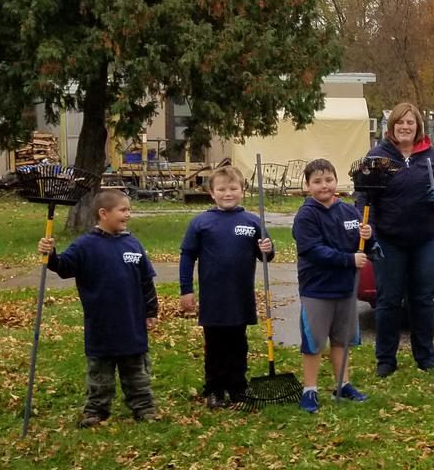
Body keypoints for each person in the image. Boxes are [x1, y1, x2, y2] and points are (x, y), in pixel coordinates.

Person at [38, 187, 159, 426]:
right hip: (101, 323)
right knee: (100, 372)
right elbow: (63, 267)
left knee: (136, 371)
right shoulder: (85, 245)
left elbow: (146, 282)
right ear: (104, 213)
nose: (128, 214)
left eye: (129, 210)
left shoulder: (133, 245)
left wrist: (151, 311)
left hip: (132, 323)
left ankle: (143, 408)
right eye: (122, 210)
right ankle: (96, 410)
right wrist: (50, 255)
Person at [357, 102, 434, 378]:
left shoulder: (431, 156)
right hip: (389, 240)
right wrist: (368, 228)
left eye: (410, 122)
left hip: (426, 239)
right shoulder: (377, 157)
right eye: (400, 122)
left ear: (418, 126)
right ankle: (386, 359)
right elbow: (363, 196)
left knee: (422, 299)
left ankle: (425, 356)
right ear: (392, 127)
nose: (405, 127)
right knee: (388, 300)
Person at [177, 165, 274, 407]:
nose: (227, 193)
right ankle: (214, 389)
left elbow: (266, 256)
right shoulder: (201, 223)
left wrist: (267, 249)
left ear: (242, 190)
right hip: (213, 297)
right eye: (221, 189)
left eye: (233, 188)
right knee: (215, 344)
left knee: (238, 343)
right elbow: (187, 255)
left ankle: (237, 387)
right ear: (212, 193)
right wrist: (186, 289)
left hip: (240, 296)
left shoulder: (252, 222)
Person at [289, 156, 369, 412]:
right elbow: (313, 250)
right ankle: (309, 390)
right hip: (317, 289)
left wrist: (368, 237)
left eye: (329, 179)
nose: (324, 185)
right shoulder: (306, 216)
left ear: (336, 180)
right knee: (314, 342)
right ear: (307, 185)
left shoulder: (349, 211)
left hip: (346, 288)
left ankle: (343, 384)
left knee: (341, 340)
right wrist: (349, 259)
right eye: (317, 181)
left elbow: (362, 243)